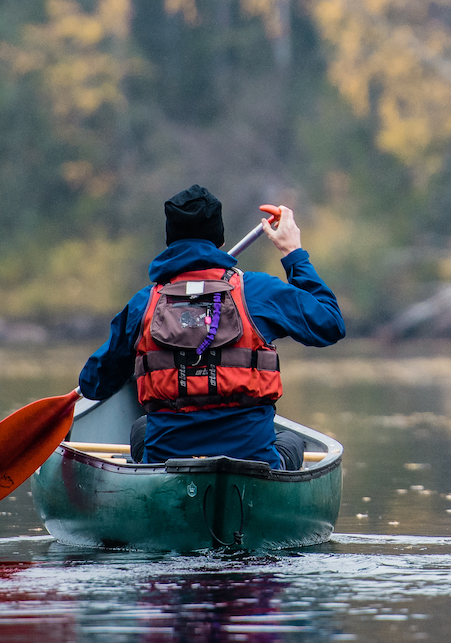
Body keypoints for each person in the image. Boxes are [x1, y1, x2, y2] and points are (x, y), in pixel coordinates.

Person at [77, 185, 345, 469]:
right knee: (291, 442)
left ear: (170, 238)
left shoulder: (143, 303)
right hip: (252, 461)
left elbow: (93, 384)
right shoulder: (256, 291)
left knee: (141, 430)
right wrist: (293, 253)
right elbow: (330, 323)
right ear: (219, 236)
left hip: (167, 462)